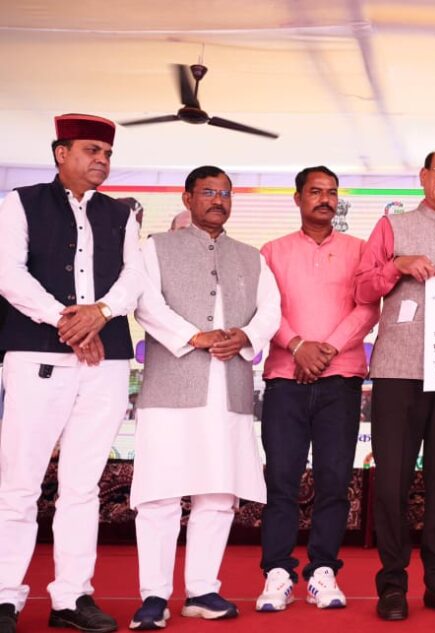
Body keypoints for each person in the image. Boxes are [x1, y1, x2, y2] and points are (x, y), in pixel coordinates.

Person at [0, 114, 142, 633]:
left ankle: (71, 597)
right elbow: (8, 273)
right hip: (37, 353)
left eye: (107, 153)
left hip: (106, 362)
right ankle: (5, 596)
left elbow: (135, 277)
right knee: (19, 483)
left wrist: (100, 313)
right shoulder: (20, 203)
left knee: (83, 486)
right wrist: (68, 321)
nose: (102, 160)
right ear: (61, 153)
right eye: (91, 150)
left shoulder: (122, 213)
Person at [128, 165, 281, 629]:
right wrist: (193, 336)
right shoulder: (155, 248)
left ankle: (201, 590)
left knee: (217, 492)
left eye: (225, 193)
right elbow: (146, 304)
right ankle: (154, 596)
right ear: (188, 198)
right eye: (209, 192)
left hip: (228, 389)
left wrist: (246, 336)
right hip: (169, 388)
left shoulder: (252, 257)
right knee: (159, 494)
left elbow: (270, 311)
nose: (218, 200)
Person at [354, 149, 435, 621]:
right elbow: (362, 289)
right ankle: (392, 585)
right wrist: (397, 265)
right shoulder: (392, 228)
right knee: (391, 483)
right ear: (424, 177)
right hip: (399, 370)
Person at [255, 166, 379, 612]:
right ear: (298, 198)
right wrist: (297, 346)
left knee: (334, 481)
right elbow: (264, 310)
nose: (325, 199)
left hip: (340, 379)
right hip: (285, 379)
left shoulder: (361, 250)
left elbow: (369, 307)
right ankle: (277, 573)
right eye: (315, 191)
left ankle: (323, 571)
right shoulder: (272, 251)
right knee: (281, 480)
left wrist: (326, 350)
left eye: (331, 192)